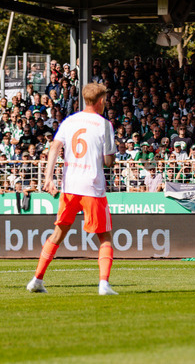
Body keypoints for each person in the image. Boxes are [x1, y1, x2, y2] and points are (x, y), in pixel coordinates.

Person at [26, 83, 119, 295]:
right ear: (101, 100)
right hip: (92, 187)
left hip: (70, 187)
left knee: (58, 234)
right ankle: (103, 284)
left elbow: (54, 147)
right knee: (104, 236)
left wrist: (48, 177)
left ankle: (37, 279)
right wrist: (110, 154)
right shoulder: (104, 124)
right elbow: (108, 161)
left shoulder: (70, 121)